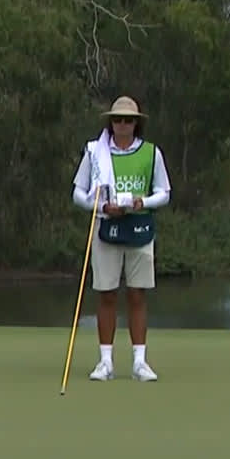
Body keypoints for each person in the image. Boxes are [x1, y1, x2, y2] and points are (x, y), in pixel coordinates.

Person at [70, 96, 171, 382]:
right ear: (110, 122)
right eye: (117, 120)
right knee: (107, 294)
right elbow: (78, 193)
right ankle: (105, 362)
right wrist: (101, 207)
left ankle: (140, 362)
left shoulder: (152, 153)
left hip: (139, 228)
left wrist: (143, 203)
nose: (122, 125)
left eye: (128, 120)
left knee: (137, 294)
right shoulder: (95, 153)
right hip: (106, 228)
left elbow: (164, 193)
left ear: (136, 124)